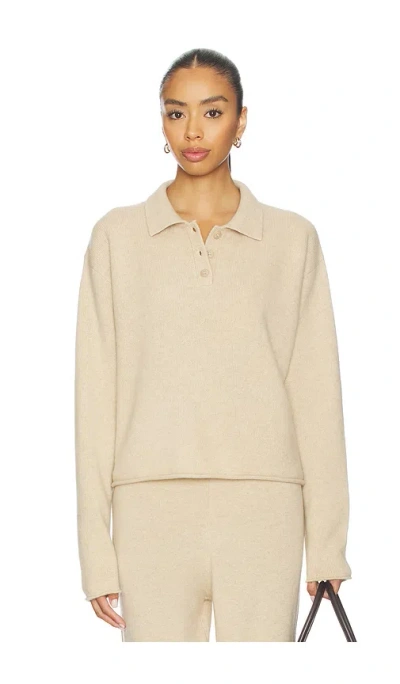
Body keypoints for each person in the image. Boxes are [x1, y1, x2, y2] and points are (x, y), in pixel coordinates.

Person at [74, 48, 353, 642]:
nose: (193, 132)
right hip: (150, 509)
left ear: (241, 120)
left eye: (212, 111)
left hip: (264, 509)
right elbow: (95, 400)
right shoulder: (117, 238)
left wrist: (328, 545)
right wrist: (96, 551)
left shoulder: (292, 240)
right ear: (162, 121)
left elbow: (316, 394)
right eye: (176, 113)